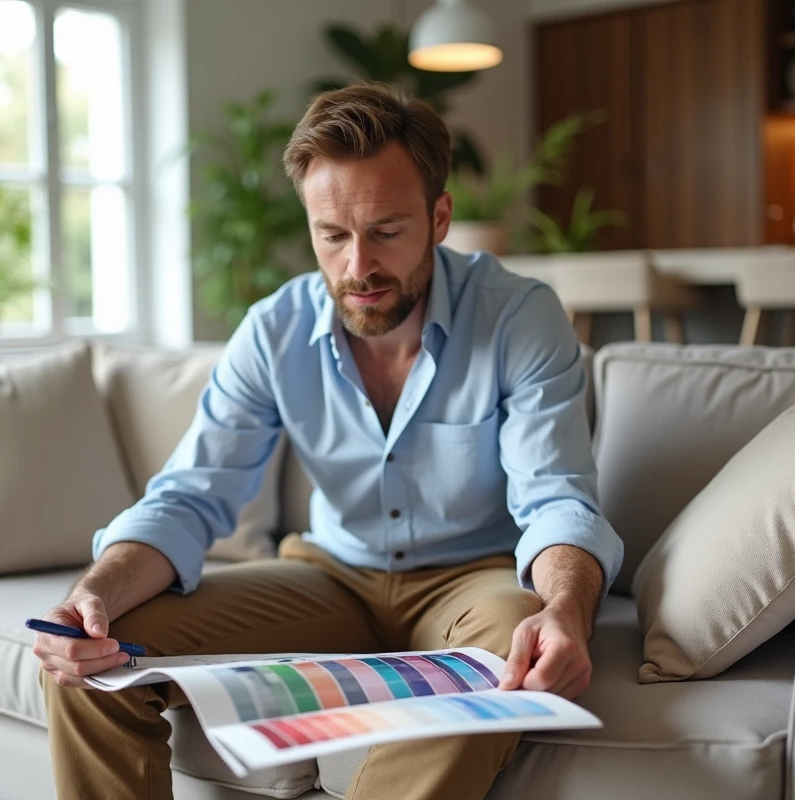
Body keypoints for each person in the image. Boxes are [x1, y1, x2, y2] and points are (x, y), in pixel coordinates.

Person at [34, 81, 623, 800]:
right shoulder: (273, 329)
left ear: (440, 217)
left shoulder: (518, 318)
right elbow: (191, 498)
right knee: (91, 662)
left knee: (509, 649)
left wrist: (564, 608)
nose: (356, 268)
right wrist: (93, 593)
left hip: (473, 583)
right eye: (333, 235)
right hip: (329, 576)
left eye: (385, 230)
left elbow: (557, 497)